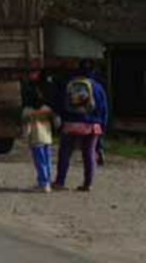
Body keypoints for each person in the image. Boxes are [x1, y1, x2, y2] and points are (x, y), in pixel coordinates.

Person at [53, 59, 109, 192]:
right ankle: (87, 183)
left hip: (71, 124)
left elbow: (62, 105)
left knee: (65, 153)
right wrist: (103, 126)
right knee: (89, 153)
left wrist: (62, 121)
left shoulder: (71, 84)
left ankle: (60, 181)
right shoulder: (97, 87)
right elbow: (103, 108)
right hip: (91, 125)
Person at [21, 86, 60, 192]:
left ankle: (43, 183)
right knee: (47, 160)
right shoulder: (47, 109)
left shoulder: (28, 110)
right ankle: (47, 181)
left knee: (40, 162)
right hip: (47, 137)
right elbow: (56, 122)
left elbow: (27, 125)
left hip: (36, 138)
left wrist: (25, 136)